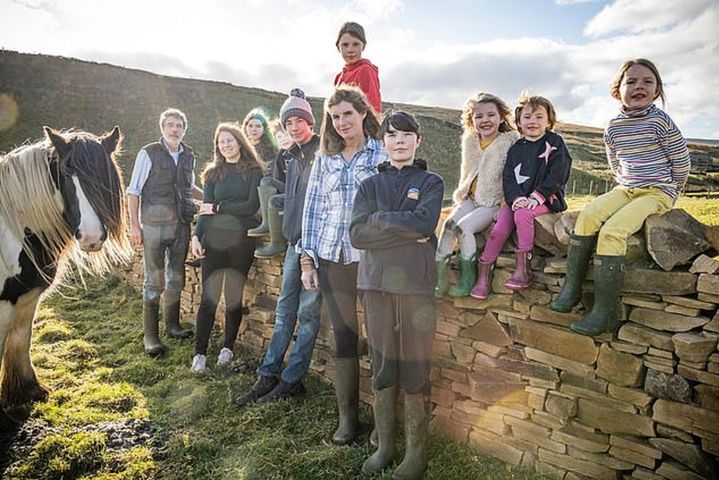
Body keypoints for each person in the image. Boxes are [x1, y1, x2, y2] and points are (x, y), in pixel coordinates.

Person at [550, 58, 690, 336]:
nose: (640, 86)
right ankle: (571, 290)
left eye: (648, 82)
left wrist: (672, 189)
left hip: (657, 191)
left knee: (613, 231)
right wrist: (624, 184)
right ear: (618, 90)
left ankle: (605, 312)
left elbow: (681, 159)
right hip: (625, 188)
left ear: (657, 90)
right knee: (588, 216)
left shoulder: (660, 120)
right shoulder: (613, 125)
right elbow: (614, 161)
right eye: (632, 81)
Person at [350, 111, 443, 479]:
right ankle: (386, 447)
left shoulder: (431, 181)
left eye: (407, 135)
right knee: (383, 363)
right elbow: (357, 235)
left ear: (418, 140)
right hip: (374, 284)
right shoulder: (368, 185)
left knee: (415, 363)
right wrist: (400, 226)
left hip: (416, 285)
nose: (400, 142)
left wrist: (379, 221)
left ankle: (415, 456)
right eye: (392, 136)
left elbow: (425, 223)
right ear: (383, 141)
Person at [299, 84, 387, 444]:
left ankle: (383, 423)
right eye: (335, 117)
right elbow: (312, 208)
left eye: (348, 114)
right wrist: (307, 260)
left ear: (363, 113)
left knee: (381, 338)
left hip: (372, 260)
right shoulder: (325, 157)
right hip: (332, 258)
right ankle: (347, 420)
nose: (341, 122)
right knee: (344, 337)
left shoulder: (382, 153)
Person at [234, 88, 323, 404]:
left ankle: (292, 381)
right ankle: (268, 375)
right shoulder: (292, 156)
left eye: (300, 120)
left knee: (308, 315)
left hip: (316, 247)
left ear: (311, 122)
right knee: (285, 313)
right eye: (289, 123)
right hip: (293, 243)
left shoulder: (321, 152)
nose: (295, 127)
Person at [470, 94, 572, 299]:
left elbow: (559, 173)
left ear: (549, 121)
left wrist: (538, 196)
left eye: (538, 117)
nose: (532, 122)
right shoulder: (516, 148)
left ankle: (523, 270)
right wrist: (515, 198)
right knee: (498, 230)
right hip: (519, 199)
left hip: (547, 199)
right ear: (518, 122)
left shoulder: (554, 143)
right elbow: (508, 177)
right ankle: (483, 276)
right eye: (527, 117)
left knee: (523, 215)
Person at [127, 108, 202, 357]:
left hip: (181, 224)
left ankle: (172, 325)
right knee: (153, 281)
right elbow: (134, 191)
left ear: (184, 128)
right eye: (170, 125)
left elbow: (190, 189)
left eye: (179, 125)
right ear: (162, 128)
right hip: (154, 226)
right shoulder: (148, 153)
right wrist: (134, 225)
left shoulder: (189, 155)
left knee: (177, 277)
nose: (174, 129)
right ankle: (151, 337)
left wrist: (213, 198)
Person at [189, 122, 263, 372]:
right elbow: (206, 209)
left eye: (229, 140)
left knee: (233, 297)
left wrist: (221, 208)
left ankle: (227, 347)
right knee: (208, 299)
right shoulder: (212, 173)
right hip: (214, 239)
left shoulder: (253, 171)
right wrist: (196, 237)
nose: (225, 145)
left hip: (242, 240)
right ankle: (199, 354)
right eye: (221, 142)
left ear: (239, 141)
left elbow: (251, 206)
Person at [435, 93, 518, 298]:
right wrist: (463, 193)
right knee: (448, 225)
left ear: (501, 117)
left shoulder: (509, 143)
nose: (485, 120)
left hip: (492, 201)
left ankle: (467, 278)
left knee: (464, 228)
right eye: (478, 116)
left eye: (491, 115)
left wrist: (504, 205)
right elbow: (468, 171)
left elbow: (514, 177)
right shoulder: (471, 141)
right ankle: (440, 278)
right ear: (471, 120)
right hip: (470, 198)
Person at [252, 90, 315, 258]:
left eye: (299, 121)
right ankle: (267, 223)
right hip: (290, 194)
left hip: (305, 208)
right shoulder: (284, 155)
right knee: (267, 182)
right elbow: (278, 178)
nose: (284, 138)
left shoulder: (314, 150)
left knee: (275, 200)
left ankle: (277, 241)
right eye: (279, 136)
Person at [244, 109, 280, 238]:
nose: (254, 129)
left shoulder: (271, 149)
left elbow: (272, 175)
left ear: (264, 129)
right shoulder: (240, 148)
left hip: (263, 192)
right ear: (245, 128)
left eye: (258, 126)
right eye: (250, 126)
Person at [334, 21, 382, 114]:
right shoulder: (338, 77)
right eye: (345, 45)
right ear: (338, 47)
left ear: (363, 46)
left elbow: (374, 108)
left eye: (356, 44)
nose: (350, 50)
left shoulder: (365, 70)